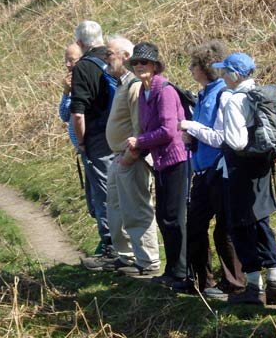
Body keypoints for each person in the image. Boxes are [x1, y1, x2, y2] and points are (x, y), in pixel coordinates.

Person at [212, 52, 276, 306]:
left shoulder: (235, 101)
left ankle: (255, 288)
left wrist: (220, 138)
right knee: (261, 223)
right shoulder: (263, 96)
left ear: (234, 75)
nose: (222, 75)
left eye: (224, 71)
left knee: (241, 226)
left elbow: (237, 142)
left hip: (239, 172)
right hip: (262, 169)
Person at [176, 40, 245, 298]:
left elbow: (219, 137)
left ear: (205, 66)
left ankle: (235, 284)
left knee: (223, 230)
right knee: (194, 226)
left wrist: (189, 127)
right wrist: (192, 136)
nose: (191, 69)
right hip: (202, 170)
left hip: (218, 169)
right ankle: (202, 282)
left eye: (194, 64)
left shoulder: (221, 94)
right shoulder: (204, 94)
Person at [125, 42, 187, 285]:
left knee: (174, 217)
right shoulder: (143, 91)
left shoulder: (165, 90)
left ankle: (181, 271)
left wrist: (140, 141)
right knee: (163, 216)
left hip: (176, 159)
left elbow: (169, 131)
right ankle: (172, 270)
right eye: (136, 63)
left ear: (155, 65)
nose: (140, 66)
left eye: (145, 62)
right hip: (160, 161)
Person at [103, 36, 161, 276]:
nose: (106, 58)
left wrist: (131, 155)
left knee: (137, 209)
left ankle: (148, 261)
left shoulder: (135, 85)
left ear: (125, 56)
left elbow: (140, 126)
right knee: (118, 209)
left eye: (110, 54)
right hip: (120, 156)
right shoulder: (124, 84)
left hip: (131, 158)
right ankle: (128, 257)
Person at [71, 20, 116, 267]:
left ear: (80, 43)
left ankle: (111, 248)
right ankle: (130, 247)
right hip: (123, 133)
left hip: (98, 137)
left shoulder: (83, 68)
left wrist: (81, 142)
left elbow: (78, 114)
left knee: (104, 192)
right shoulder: (115, 58)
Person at [59, 42, 96, 227]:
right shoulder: (72, 84)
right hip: (83, 149)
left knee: (99, 197)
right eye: (65, 60)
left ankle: (110, 244)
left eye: (71, 60)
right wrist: (66, 92)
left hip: (92, 146)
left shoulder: (87, 80)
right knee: (92, 199)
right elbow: (64, 115)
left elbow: (75, 115)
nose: (67, 64)